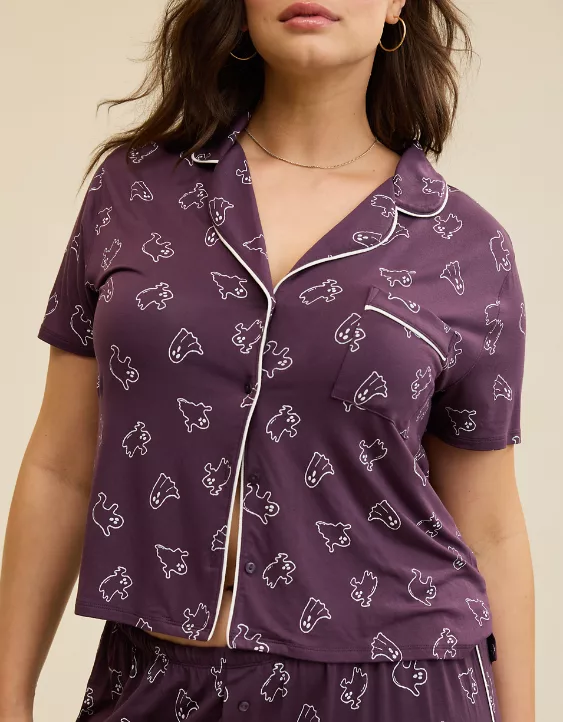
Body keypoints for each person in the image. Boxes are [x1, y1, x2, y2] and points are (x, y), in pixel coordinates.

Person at [0, 1, 534, 721]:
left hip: (396, 687)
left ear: (394, 6)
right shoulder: (132, 191)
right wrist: (8, 696)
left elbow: (491, 525)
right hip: (157, 681)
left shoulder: (466, 245)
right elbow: (60, 466)